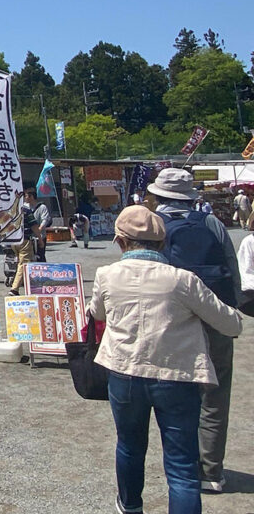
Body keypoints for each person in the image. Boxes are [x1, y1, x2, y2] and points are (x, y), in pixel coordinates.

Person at [88, 205, 243, 514]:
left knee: (130, 446)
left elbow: (97, 313)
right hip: (177, 378)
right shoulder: (182, 280)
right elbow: (232, 324)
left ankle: (130, 506)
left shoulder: (107, 275)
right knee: (182, 464)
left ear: (121, 241)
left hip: (124, 372)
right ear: (162, 242)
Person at [148, 167, 245, 493]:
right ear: (191, 198)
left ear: (158, 196)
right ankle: (212, 472)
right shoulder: (212, 224)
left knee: (177, 397)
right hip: (215, 318)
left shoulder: (153, 226)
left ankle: (183, 467)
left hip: (172, 324)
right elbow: (232, 270)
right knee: (215, 396)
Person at [8, 204, 43, 297]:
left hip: (13, 240)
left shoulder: (9, 208)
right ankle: (14, 289)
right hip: (25, 240)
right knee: (23, 264)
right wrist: (40, 238)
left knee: (20, 262)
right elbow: (34, 226)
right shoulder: (26, 210)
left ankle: (23, 283)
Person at [25, 187, 51, 262]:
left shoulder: (42, 207)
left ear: (31, 197)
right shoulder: (25, 207)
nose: (25, 198)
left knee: (40, 255)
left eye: (26, 196)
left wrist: (40, 228)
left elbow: (45, 219)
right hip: (28, 237)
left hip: (40, 236)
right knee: (30, 257)